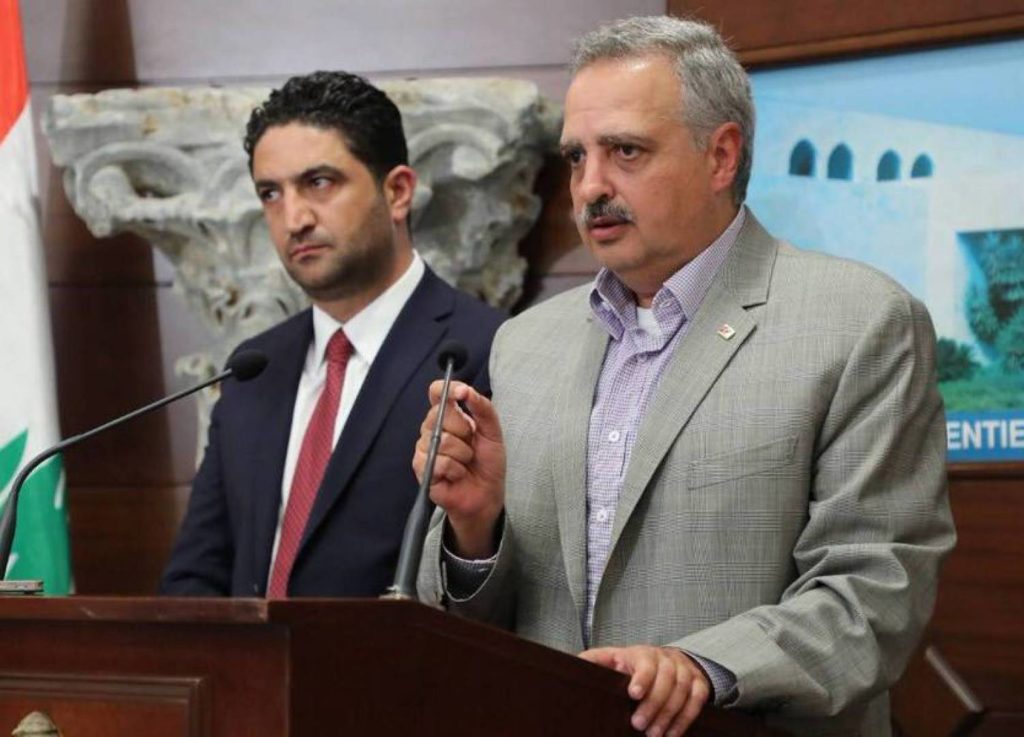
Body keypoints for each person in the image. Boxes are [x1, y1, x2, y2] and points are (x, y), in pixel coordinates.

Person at [414, 16, 954, 737]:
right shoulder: (524, 344)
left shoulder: (860, 322)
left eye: (626, 151)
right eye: (576, 157)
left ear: (721, 155)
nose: (590, 187)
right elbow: (465, 624)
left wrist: (703, 666)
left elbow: (875, 593)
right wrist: (475, 528)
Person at [161, 71, 503, 599]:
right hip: (250, 655)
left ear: (398, 192)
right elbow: (194, 577)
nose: (293, 218)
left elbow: (502, 582)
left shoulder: (485, 350)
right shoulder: (254, 367)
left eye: (318, 183)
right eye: (271, 194)